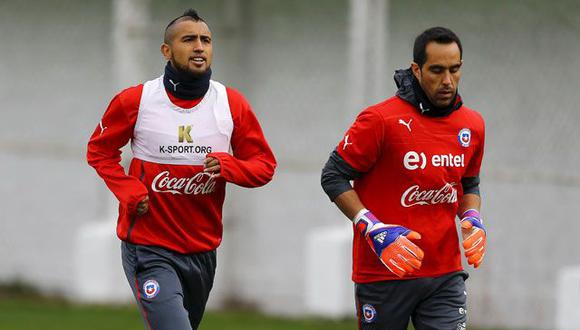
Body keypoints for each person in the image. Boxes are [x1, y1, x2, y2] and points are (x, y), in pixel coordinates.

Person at [87, 9, 276, 330]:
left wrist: (229, 166)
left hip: (202, 251)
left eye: (206, 40)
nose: (199, 46)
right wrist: (128, 190)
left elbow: (264, 167)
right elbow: (99, 150)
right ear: (166, 50)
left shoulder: (231, 103)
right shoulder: (137, 100)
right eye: (189, 40)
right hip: (149, 248)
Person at [321, 27, 486, 330]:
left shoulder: (473, 125)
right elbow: (333, 176)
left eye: (455, 69)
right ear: (416, 69)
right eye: (436, 70)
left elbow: (469, 183)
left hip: (445, 273)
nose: (447, 80)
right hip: (385, 272)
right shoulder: (380, 120)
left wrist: (473, 216)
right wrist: (372, 228)